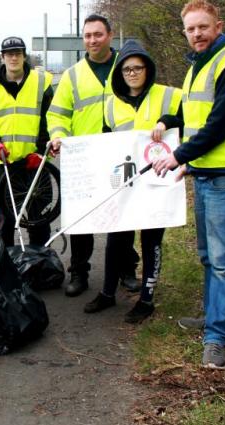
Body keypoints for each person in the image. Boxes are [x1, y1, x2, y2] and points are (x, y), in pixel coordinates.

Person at [152, 0, 225, 369]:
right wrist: (168, 121)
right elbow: (194, 112)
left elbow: (222, 120)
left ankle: (217, 339)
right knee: (208, 256)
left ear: (219, 25)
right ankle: (214, 319)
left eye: (203, 27)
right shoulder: (199, 66)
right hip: (207, 172)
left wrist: (179, 156)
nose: (197, 34)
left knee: (224, 261)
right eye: (191, 29)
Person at [82, 40, 183, 324]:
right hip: (124, 182)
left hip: (157, 181)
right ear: (120, 72)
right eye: (127, 69)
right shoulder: (111, 105)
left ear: (148, 69)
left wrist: (166, 121)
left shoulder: (169, 96)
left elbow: (190, 120)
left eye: (138, 67)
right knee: (116, 238)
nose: (132, 73)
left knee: (151, 241)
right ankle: (106, 292)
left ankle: (147, 299)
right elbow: (104, 140)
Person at [47, 14, 140, 297]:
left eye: (97, 34)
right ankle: (79, 272)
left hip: (120, 155)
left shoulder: (127, 67)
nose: (92, 40)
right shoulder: (72, 75)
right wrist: (57, 134)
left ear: (110, 36)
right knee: (81, 219)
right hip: (83, 159)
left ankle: (126, 269)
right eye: (87, 36)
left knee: (123, 217)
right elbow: (57, 113)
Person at [0, 36, 54, 247]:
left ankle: (39, 264)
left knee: (38, 220)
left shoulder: (41, 81)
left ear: (24, 55)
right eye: (9, 54)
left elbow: (50, 118)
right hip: (5, 164)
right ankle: (6, 267)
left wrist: (41, 151)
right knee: (6, 221)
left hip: (34, 162)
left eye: (18, 53)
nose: (14, 58)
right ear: (2, 57)